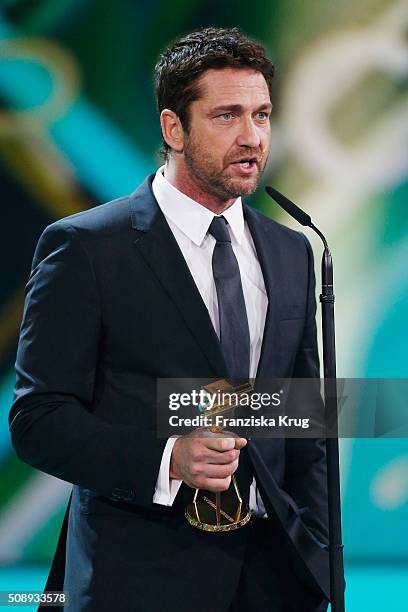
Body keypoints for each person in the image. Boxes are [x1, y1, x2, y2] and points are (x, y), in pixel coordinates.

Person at [9, 27, 330, 611]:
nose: (253, 137)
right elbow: (38, 418)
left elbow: (303, 412)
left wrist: (317, 552)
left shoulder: (292, 251)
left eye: (262, 115)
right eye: (227, 115)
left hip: (277, 583)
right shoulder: (86, 248)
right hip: (139, 580)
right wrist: (168, 458)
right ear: (172, 128)